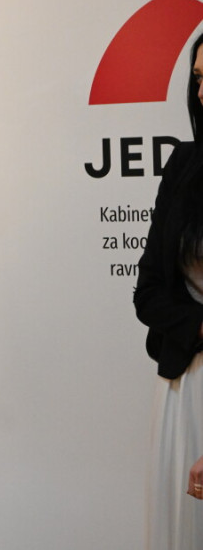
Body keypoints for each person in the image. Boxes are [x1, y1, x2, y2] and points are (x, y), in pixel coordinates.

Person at [135, 32, 203, 550]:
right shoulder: (183, 164)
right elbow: (149, 292)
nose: (202, 93)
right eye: (198, 79)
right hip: (186, 380)